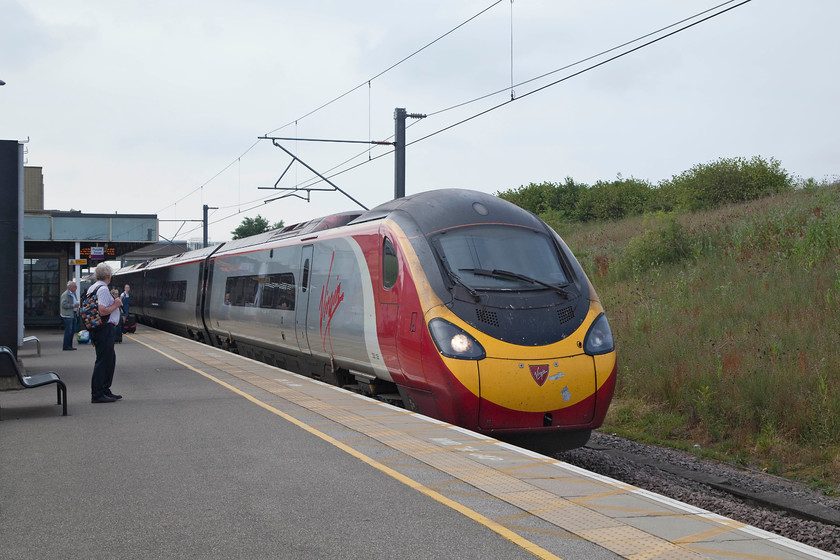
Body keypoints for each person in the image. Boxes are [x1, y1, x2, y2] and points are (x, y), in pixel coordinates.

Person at [86, 263, 124, 403]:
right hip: (103, 329)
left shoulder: (93, 287)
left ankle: (105, 390)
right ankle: (97, 394)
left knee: (109, 360)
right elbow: (102, 310)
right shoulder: (102, 289)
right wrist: (117, 304)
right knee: (103, 361)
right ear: (109, 276)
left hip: (101, 329)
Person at [59, 280, 79, 351]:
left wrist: (76, 309)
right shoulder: (65, 294)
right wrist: (74, 305)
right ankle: (66, 346)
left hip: (73, 314)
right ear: (70, 287)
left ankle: (70, 345)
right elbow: (64, 305)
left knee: (73, 330)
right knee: (68, 330)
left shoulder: (73, 294)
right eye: (74, 287)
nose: (76, 288)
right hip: (67, 315)